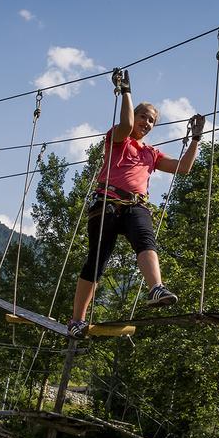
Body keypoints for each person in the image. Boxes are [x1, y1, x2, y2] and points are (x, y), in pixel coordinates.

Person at [67, 68, 203, 337]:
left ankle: (156, 289)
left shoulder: (151, 153)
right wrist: (126, 93)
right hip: (106, 201)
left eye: (152, 121)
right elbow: (126, 125)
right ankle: (76, 320)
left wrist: (196, 139)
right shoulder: (118, 139)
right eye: (144, 116)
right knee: (97, 260)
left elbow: (183, 168)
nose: (147, 123)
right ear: (134, 116)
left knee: (146, 241)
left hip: (135, 205)